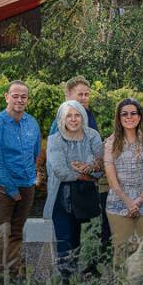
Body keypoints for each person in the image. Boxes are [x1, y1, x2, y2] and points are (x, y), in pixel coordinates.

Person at [47, 76, 109, 261]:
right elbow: (59, 167)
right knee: (66, 241)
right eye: (79, 94)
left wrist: (92, 168)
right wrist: (85, 173)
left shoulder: (90, 123)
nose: (83, 98)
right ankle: (67, 282)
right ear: (68, 95)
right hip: (64, 191)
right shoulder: (57, 129)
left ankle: (85, 281)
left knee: (87, 240)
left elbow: (98, 161)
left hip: (86, 193)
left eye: (86, 94)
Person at [103, 98, 143, 285]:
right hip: (119, 204)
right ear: (119, 118)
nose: (129, 117)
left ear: (140, 116)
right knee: (122, 251)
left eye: (133, 113)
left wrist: (140, 200)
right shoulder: (110, 143)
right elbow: (112, 179)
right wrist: (128, 202)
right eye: (124, 114)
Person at [0, 81, 40, 279]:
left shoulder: (32, 123)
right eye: (15, 95)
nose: (19, 99)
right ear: (6, 97)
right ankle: (0, 279)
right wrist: (13, 190)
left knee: (16, 232)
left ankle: (16, 275)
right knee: (2, 233)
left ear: (27, 99)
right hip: (2, 188)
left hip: (26, 186)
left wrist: (31, 180)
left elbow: (34, 154)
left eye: (23, 96)